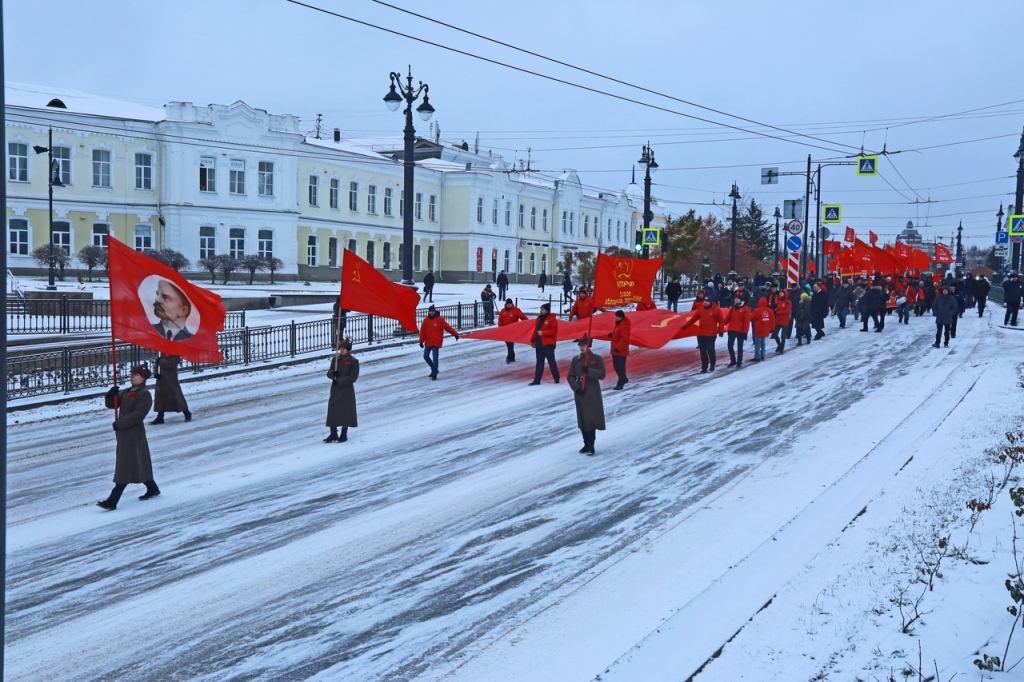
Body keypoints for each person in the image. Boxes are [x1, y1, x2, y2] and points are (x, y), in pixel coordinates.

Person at [97, 364, 160, 510]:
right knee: (138, 461)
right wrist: (111, 394)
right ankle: (152, 488)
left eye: (135, 374)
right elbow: (113, 405)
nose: (131, 376)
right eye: (131, 374)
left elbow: (139, 415)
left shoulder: (144, 394)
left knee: (124, 464)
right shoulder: (127, 391)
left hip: (134, 433)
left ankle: (112, 500)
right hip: (124, 432)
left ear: (143, 378)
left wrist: (120, 423)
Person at [567, 335, 606, 455]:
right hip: (580, 391)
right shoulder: (576, 360)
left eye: (583, 345)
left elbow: (602, 374)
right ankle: (585, 443)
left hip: (591, 391)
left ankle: (591, 445)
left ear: (589, 346)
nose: (581, 348)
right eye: (580, 346)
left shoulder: (596, 358)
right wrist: (576, 388)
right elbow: (570, 376)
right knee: (582, 418)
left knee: (591, 418)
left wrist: (588, 371)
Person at [324, 339, 359, 442]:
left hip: (346, 390)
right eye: (341, 348)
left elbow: (353, 377)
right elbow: (329, 372)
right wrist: (332, 375)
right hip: (335, 389)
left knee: (345, 411)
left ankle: (344, 433)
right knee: (333, 410)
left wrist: (339, 381)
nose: (342, 350)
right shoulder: (335, 359)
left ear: (348, 349)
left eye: (344, 348)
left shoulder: (353, 361)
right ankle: (333, 433)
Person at [681, 297, 723, 373]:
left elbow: (721, 320)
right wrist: (686, 326)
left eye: (707, 301)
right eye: (705, 301)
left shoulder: (716, 309)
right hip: (701, 334)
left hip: (711, 334)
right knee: (703, 352)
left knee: (710, 350)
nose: (705, 303)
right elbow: (694, 318)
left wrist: (721, 330)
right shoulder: (701, 309)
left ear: (710, 302)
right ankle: (704, 367)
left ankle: (712, 364)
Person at [418, 305, 459, 380]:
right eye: (430, 311)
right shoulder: (426, 320)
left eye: (432, 311)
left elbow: (448, 328)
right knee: (426, 356)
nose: (431, 313)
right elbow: (422, 331)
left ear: (435, 311)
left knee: (435, 358)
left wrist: (455, 334)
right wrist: (421, 341)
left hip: (436, 341)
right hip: (428, 341)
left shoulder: (440, 320)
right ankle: (434, 369)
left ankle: (434, 374)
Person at [151, 353, 191, 424]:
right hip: (161, 379)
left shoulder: (174, 352)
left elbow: (171, 365)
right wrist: (156, 373)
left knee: (176, 396)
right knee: (161, 397)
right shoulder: (161, 352)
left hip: (171, 379)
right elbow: (157, 364)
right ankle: (160, 416)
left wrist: (161, 361)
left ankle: (186, 412)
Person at [529, 302, 560, 385]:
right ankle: (537, 380)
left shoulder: (552, 319)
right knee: (539, 363)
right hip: (539, 344)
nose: (541, 311)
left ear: (547, 310)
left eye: (543, 309)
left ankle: (556, 378)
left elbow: (554, 331)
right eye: (541, 309)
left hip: (548, 344)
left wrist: (543, 333)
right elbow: (536, 331)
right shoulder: (538, 319)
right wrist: (532, 340)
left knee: (551, 362)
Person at [723, 298, 751, 368]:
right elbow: (727, 318)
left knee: (740, 347)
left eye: (737, 299)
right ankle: (733, 360)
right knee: (729, 346)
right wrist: (720, 326)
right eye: (735, 299)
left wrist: (745, 332)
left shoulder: (745, 308)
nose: (736, 300)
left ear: (741, 300)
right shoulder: (733, 308)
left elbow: (746, 321)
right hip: (732, 329)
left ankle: (739, 362)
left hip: (740, 331)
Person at [607, 310, 631, 389]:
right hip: (615, 349)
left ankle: (620, 384)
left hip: (620, 350)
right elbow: (618, 334)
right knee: (616, 366)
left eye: (617, 316)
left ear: (621, 317)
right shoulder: (618, 324)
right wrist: (612, 335)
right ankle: (623, 379)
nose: (616, 317)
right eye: (615, 316)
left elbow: (624, 339)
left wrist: (618, 347)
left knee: (620, 367)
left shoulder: (624, 326)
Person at [498, 298, 527, 363]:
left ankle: (509, 357)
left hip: (513, 330)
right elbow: (500, 320)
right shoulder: (503, 311)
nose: (509, 305)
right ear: (506, 304)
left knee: (510, 344)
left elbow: (523, 317)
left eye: (510, 304)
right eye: (508, 304)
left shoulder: (516, 310)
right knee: (508, 344)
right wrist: (500, 329)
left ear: (512, 304)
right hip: (505, 330)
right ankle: (512, 357)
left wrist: (527, 324)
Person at [750, 298, 775, 362]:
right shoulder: (770, 311)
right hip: (766, 329)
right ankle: (763, 356)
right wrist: (772, 328)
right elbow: (772, 320)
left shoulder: (756, 310)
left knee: (757, 343)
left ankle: (757, 357)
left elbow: (752, 318)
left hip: (758, 329)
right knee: (763, 343)